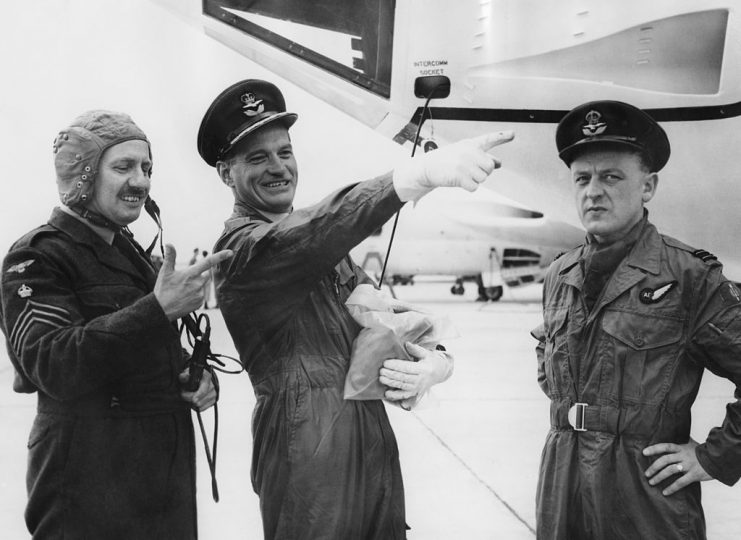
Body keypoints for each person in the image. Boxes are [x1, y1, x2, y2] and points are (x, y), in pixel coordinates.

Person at [197, 79, 514, 539]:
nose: (278, 167)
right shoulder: (242, 249)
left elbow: (385, 316)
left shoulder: (321, 248)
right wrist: (411, 177)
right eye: (257, 157)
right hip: (305, 448)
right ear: (226, 173)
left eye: (284, 152)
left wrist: (436, 360)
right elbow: (313, 233)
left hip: (369, 440)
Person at [0, 110, 232, 539]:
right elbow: (52, 364)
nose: (141, 181)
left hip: (162, 487)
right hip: (87, 488)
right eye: (123, 167)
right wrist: (157, 310)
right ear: (84, 175)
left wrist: (196, 378)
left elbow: (149, 351)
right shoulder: (36, 257)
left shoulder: (134, 257)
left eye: (146, 168)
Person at [532, 100, 741, 539]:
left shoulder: (688, 277)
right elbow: (549, 356)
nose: (593, 191)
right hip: (561, 481)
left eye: (611, 176)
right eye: (582, 178)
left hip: (644, 495)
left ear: (648, 186)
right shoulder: (559, 275)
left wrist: (715, 457)